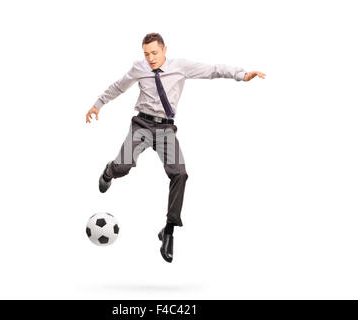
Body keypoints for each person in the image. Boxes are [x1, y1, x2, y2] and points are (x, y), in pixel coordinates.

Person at [86, 33, 265, 263]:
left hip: (166, 130)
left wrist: (241, 74)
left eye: (154, 53)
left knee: (179, 173)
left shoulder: (180, 66)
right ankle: (109, 172)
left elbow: (213, 70)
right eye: (146, 53)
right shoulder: (139, 68)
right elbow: (118, 86)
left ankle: (168, 230)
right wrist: (97, 104)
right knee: (123, 166)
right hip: (141, 124)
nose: (150, 58)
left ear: (164, 50)